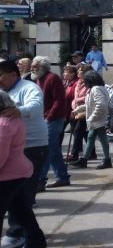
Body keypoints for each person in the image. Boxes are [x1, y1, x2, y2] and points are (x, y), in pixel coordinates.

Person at [0, 61, 47, 248]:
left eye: (1, 75)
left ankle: (16, 232)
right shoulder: (5, 91)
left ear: (13, 74)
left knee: (21, 195)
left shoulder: (29, 88)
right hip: (13, 148)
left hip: (32, 146)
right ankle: (31, 236)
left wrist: (17, 111)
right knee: (18, 201)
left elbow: (36, 107)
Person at [31, 56, 70, 189]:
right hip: (44, 118)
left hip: (53, 119)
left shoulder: (52, 78)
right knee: (53, 150)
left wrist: (49, 116)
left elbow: (59, 100)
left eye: (35, 66)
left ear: (43, 66)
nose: (32, 68)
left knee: (46, 150)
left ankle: (40, 180)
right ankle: (63, 177)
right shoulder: (38, 79)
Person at [69, 71, 112, 170]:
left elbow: (100, 105)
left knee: (94, 137)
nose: (84, 82)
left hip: (97, 119)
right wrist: (78, 109)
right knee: (96, 138)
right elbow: (90, 104)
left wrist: (92, 117)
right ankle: (104, 159)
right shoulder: (99, 88)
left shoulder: (95, 89)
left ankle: (87, 159)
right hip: (99, 118)